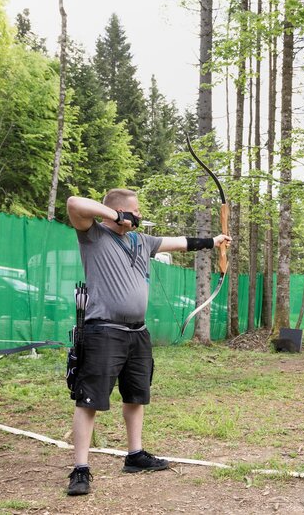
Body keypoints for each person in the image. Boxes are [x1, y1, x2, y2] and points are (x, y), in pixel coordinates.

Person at [64, 189, 231, 496]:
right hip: (104, 330)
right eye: (135, 211)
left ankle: (135, 455)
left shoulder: (142, 242)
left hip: (137, 333)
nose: (139, 216)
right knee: (90, 400)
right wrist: (115, 216)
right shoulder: (93, 236)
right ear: (120, 212)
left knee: (136, 396)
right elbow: (74, 204)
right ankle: (80, 468)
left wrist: (214, 241)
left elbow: (179, 243)